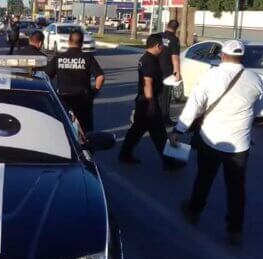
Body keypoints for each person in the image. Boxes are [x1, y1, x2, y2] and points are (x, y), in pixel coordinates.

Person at [171, 40, 263, 245]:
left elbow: (194, 106)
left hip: (210, 138)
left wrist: (179, 130)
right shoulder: (255, 79)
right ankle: (235, 229)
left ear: (222, 55)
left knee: (204, 178)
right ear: (242, 56)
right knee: (237, 187)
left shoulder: (210, 76)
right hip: (240, 142)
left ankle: (194, 210)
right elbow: (257, 109)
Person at [118, 33, 182, 170]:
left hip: (144, 101)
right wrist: (151, 103)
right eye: (162, 46)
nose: (164, 49)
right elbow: (148, 83)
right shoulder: (149, 61)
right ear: (158, 46)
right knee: (160, 134)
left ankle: (124, 154)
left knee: (136, 131)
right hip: (148, 101)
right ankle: (170, 162)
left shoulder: (146, 58)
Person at [54, 31, 104, 132]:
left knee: (63, 128)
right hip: (83, 99)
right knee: (86, 130)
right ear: (81, 43)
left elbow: (46, 76)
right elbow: (100, 76)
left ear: (69, 42)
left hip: (64, 99)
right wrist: (95, 91)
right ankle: (86, 146)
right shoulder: (88, 58)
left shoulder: (59, 58)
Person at [159, 20, 182, 124]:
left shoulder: (157, 36)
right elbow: (175, 58)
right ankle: (164, 118)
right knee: (165, 96)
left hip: (153, 69)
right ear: (176, 29)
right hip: (166, 72)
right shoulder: (174, 40)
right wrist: (177, 74)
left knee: (153, 94)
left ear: (167, 25)